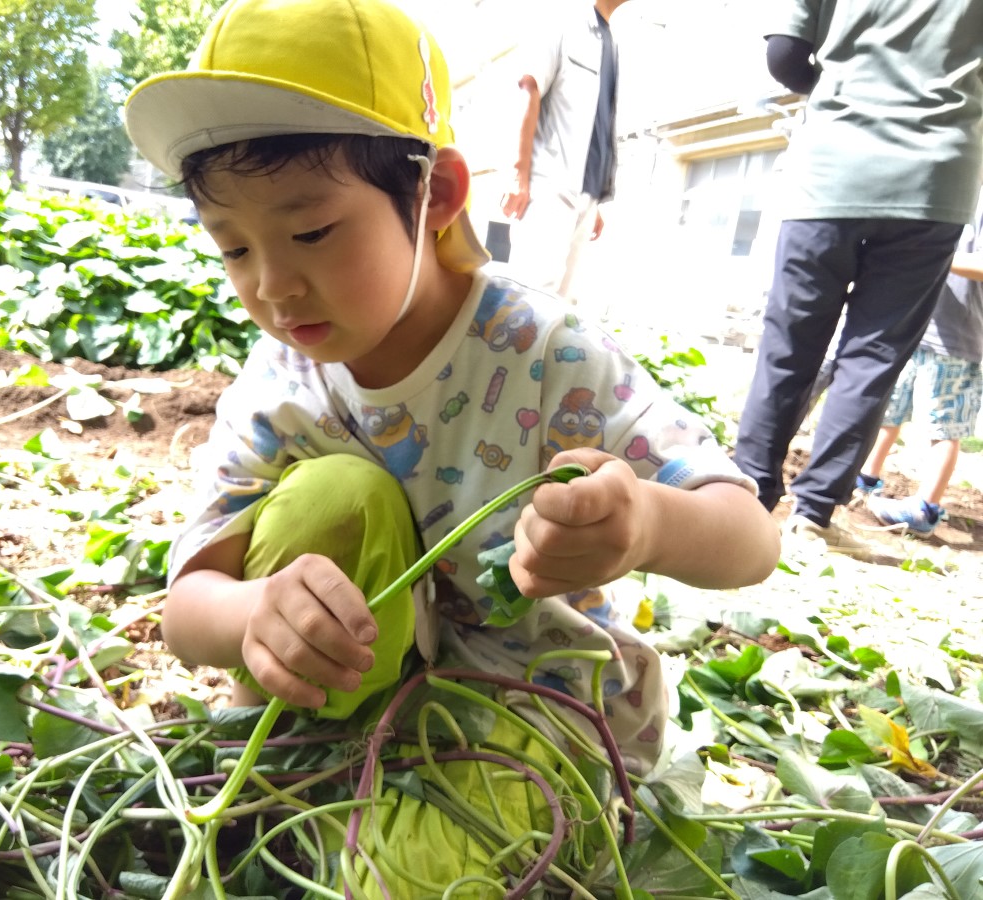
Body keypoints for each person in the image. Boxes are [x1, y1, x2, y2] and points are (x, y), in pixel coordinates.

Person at [124, 0, 779, 890]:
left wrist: (645, 525)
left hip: (530, 711)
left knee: (404, 880)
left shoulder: (545, 355)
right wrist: (254, 617)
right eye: (234, 246)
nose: (273, 285)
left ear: (438, 194)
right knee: (330, 496)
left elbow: (750, 538)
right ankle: (300, 776)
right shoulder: (282, 383)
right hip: (347, 699)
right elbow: (187, 607)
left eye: (310, 230)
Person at [733, 0, 983, 559]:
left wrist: (851, 87)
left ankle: (746, 494)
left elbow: (785, 54)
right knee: (875, 353)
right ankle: (815, 513)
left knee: (789, 340)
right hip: (934, 177)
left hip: (832, 162)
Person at [856, 213, 983, 536]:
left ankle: (925, 508)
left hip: (955, 339)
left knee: (943, 425)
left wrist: (934, 256)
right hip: (916, 324)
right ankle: (864, 480)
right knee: (889, 409)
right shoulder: (959, 193)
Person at [495, 0, 631, 297]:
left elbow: (599, 122)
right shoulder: (563, 19)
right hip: (549, 186)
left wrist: (594, 194)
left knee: (559, 310)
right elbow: (529, 89)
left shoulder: (611, 40)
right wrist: (519, 175)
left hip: (586, 196)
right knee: (529, 302)